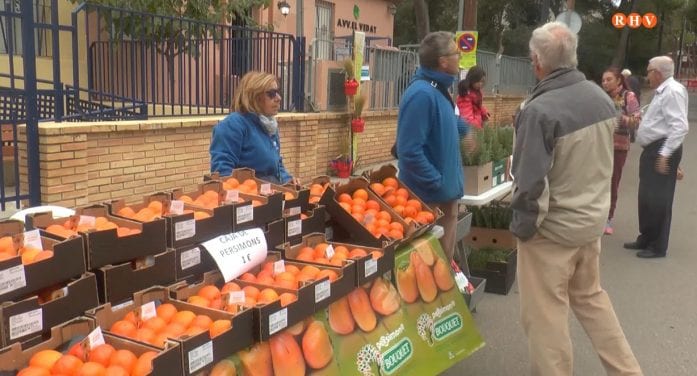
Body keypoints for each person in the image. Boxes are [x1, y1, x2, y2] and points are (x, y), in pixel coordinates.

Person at [511, 22, 642, 375]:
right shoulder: (601, 99)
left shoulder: (539, 110)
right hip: (590, 225)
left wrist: (523, 230)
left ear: (537, 60)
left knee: (545, 319)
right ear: (574, 56)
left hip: (551, 234)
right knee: (593, 301)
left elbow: (529, 185)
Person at [395, 31, 473, 261]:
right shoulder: (421, 94)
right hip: (431, 201)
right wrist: (436, 182)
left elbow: (443, 120)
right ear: (443, 61)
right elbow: (408, 151)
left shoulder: (438, 90)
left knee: (442, 269)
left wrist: (464, 129)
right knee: (430, 269)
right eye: (455, 53)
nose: (459, 56)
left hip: (444, 199)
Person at [624, 56, 689, 258]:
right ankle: (646, 236)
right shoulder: (662, 92)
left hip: (660, 149)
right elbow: (661, 121)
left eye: (649, 71)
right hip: (653, 149)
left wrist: (665, 154)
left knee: (659, 199)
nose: (647, 75)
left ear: (658, 73)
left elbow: (679, 127)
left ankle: (657, 245)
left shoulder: (673, 91)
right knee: (646, 197)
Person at [210, 71, 299, 185]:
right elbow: (222, 172)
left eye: (278, 92)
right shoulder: (233, 125)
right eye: (271, 93)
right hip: (248, 196)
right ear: (254, 96)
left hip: (271, 194)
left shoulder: (269, 125)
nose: (278, 98)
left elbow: (276, 164)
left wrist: (288, 180)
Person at [601, 67, 641, 235]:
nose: (605, 83)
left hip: (618, 146)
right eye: (603, 80)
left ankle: (608, 218)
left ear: (618, 80)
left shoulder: (628, 96)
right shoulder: (600, 97)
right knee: (597, 181)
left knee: (612, 182)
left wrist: (622, 118)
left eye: (609, 79)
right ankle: (596, 215)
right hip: (600, 145)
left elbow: (637, 120)